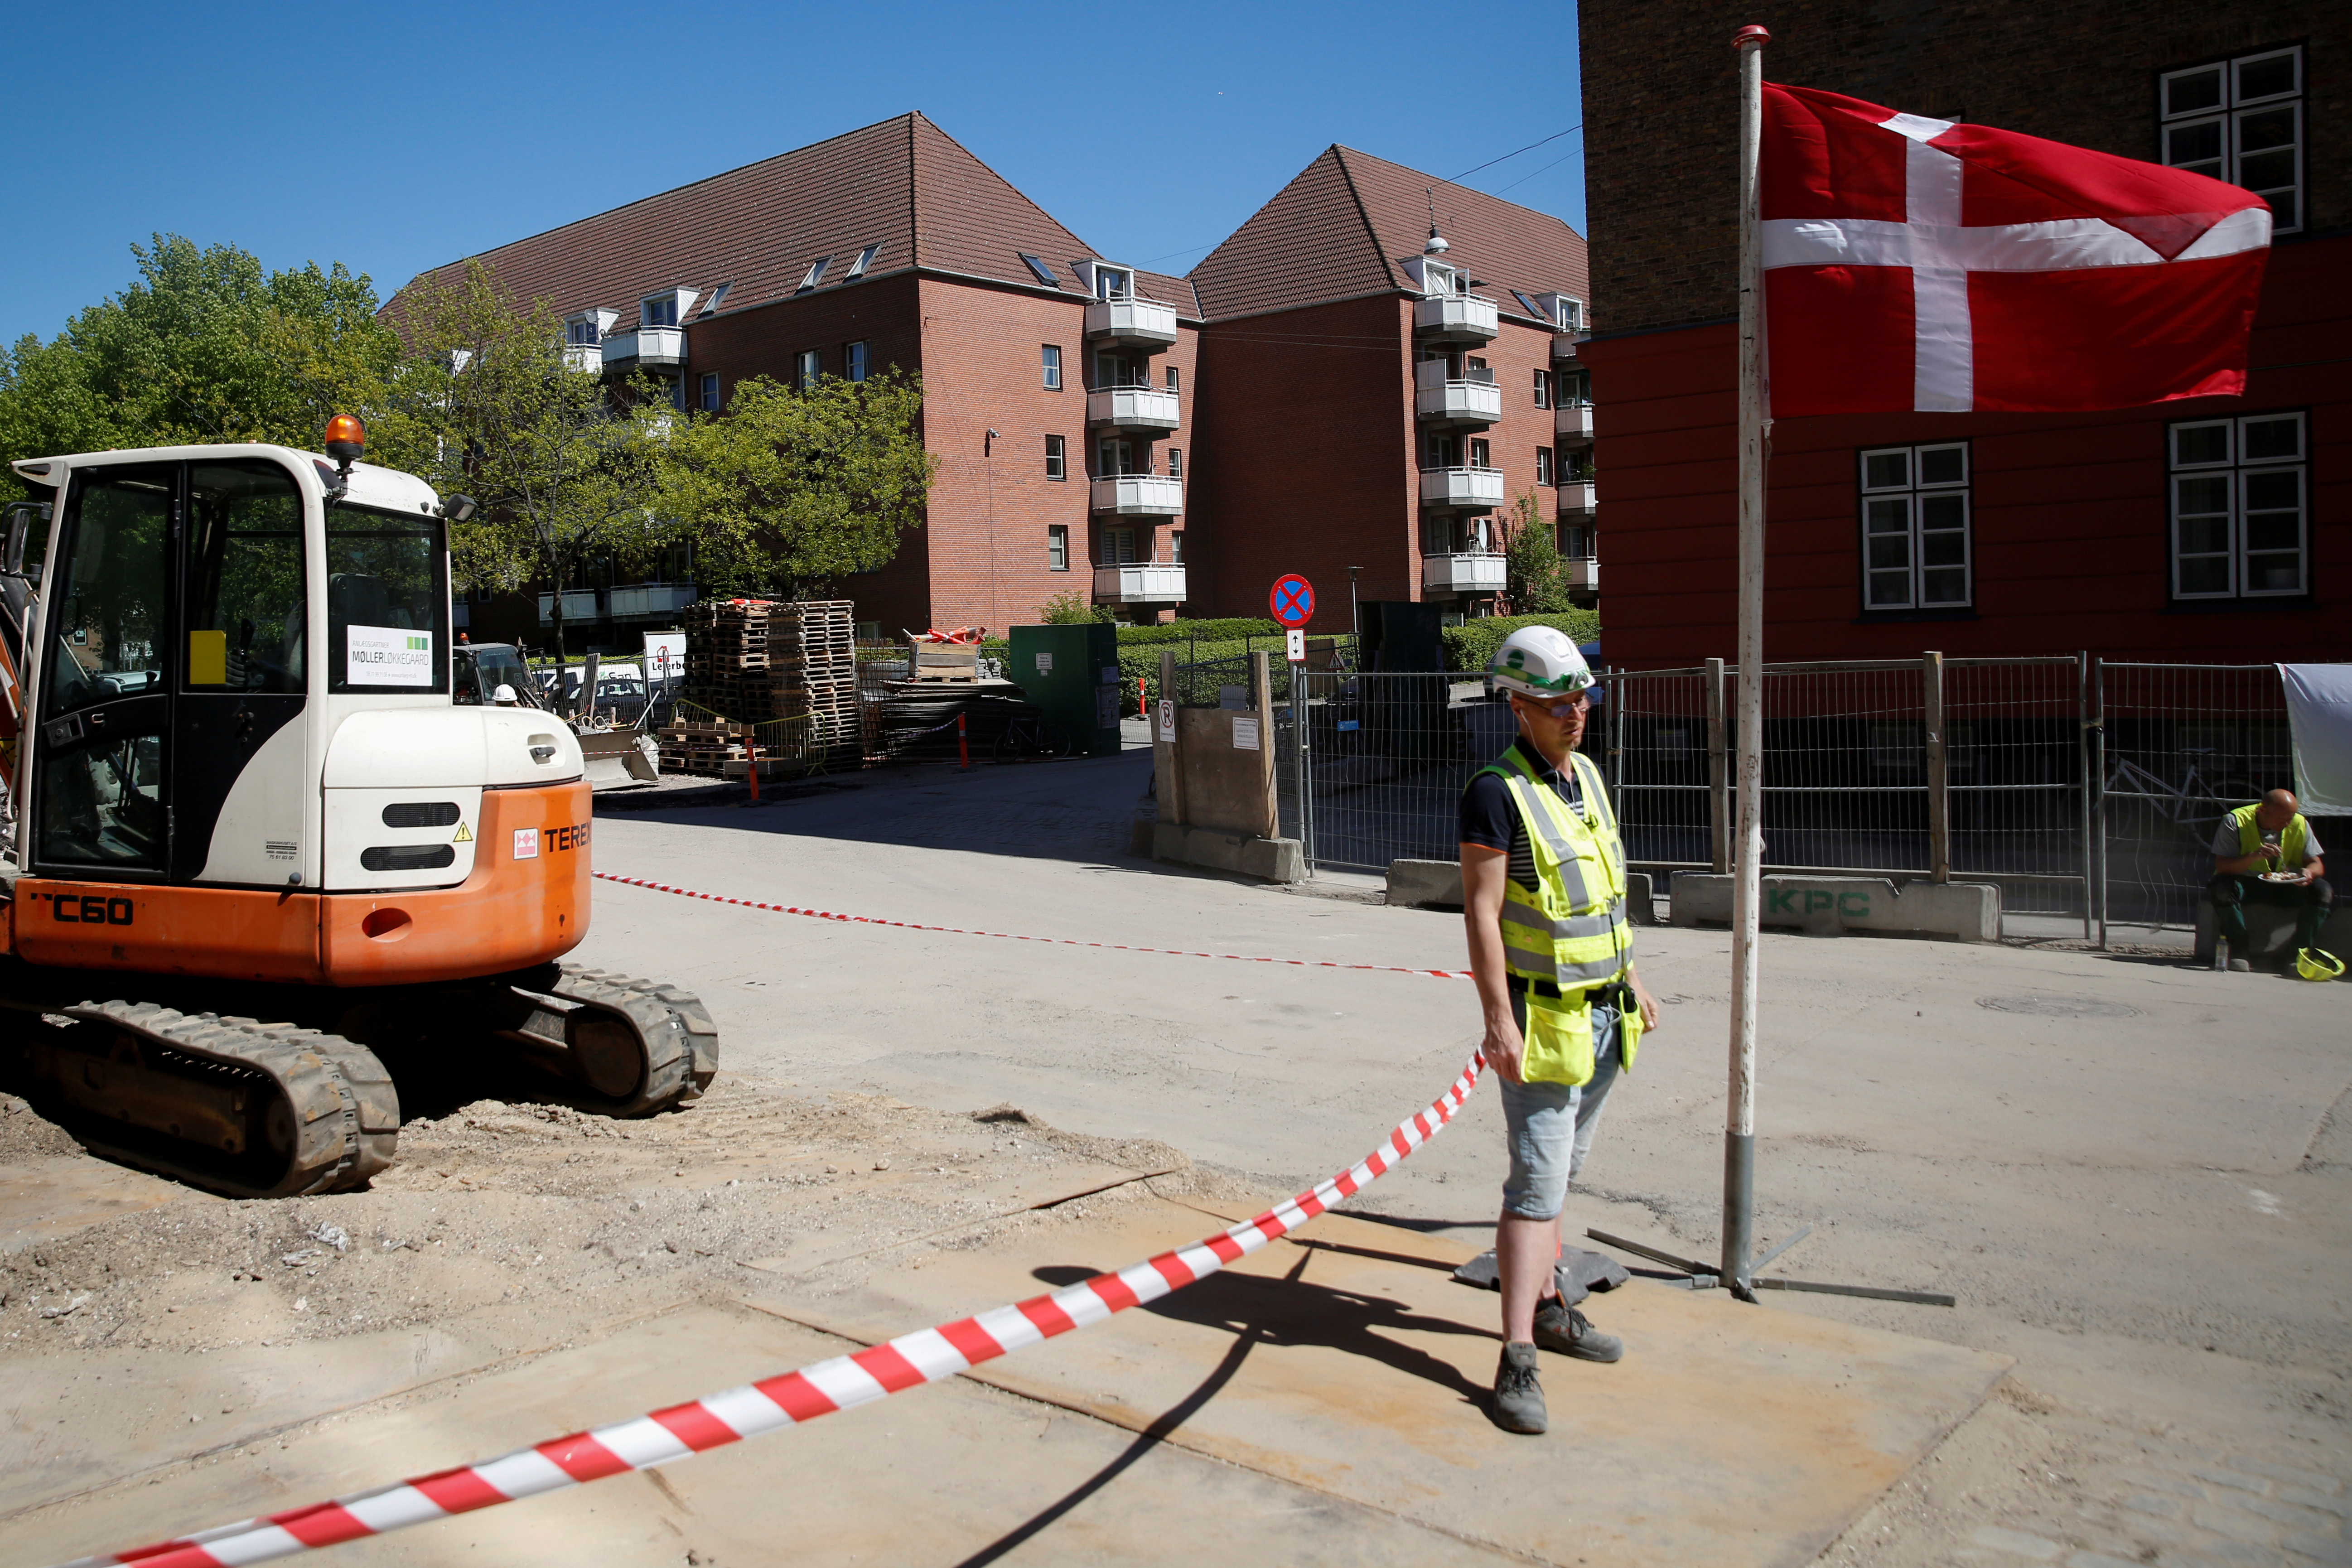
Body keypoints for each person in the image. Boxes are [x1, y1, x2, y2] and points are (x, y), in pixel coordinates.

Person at [1459, 626, 1661, 1436]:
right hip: (1541, 1023)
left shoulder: (1588, 778)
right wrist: (1497, 1019)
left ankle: (1549, 1308)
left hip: (1604, 1016)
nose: (1576, 712)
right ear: (1518, 706)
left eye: (1581, 697)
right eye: (1556, 702)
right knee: (1535, 1190)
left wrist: (1633, 980)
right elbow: (1480, 912)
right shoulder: (1494, 791)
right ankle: (1515, 1355)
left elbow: (1604, 898)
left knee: (1560, 1181)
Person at [2210, 789, 2332, 972]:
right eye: (2281, 818)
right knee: (2221, 888)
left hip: (2287, 887)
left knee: (2323, 890)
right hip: (2247, 885)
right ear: (2262, 810)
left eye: (2291, 817)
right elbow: (2222, 867)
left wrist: (2308, 873)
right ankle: (2239, 950)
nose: (2287, 823)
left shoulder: (2299, 823)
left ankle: (2299, 954)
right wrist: (2253, 857)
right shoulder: (2235, 821)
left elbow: (2317, 865)